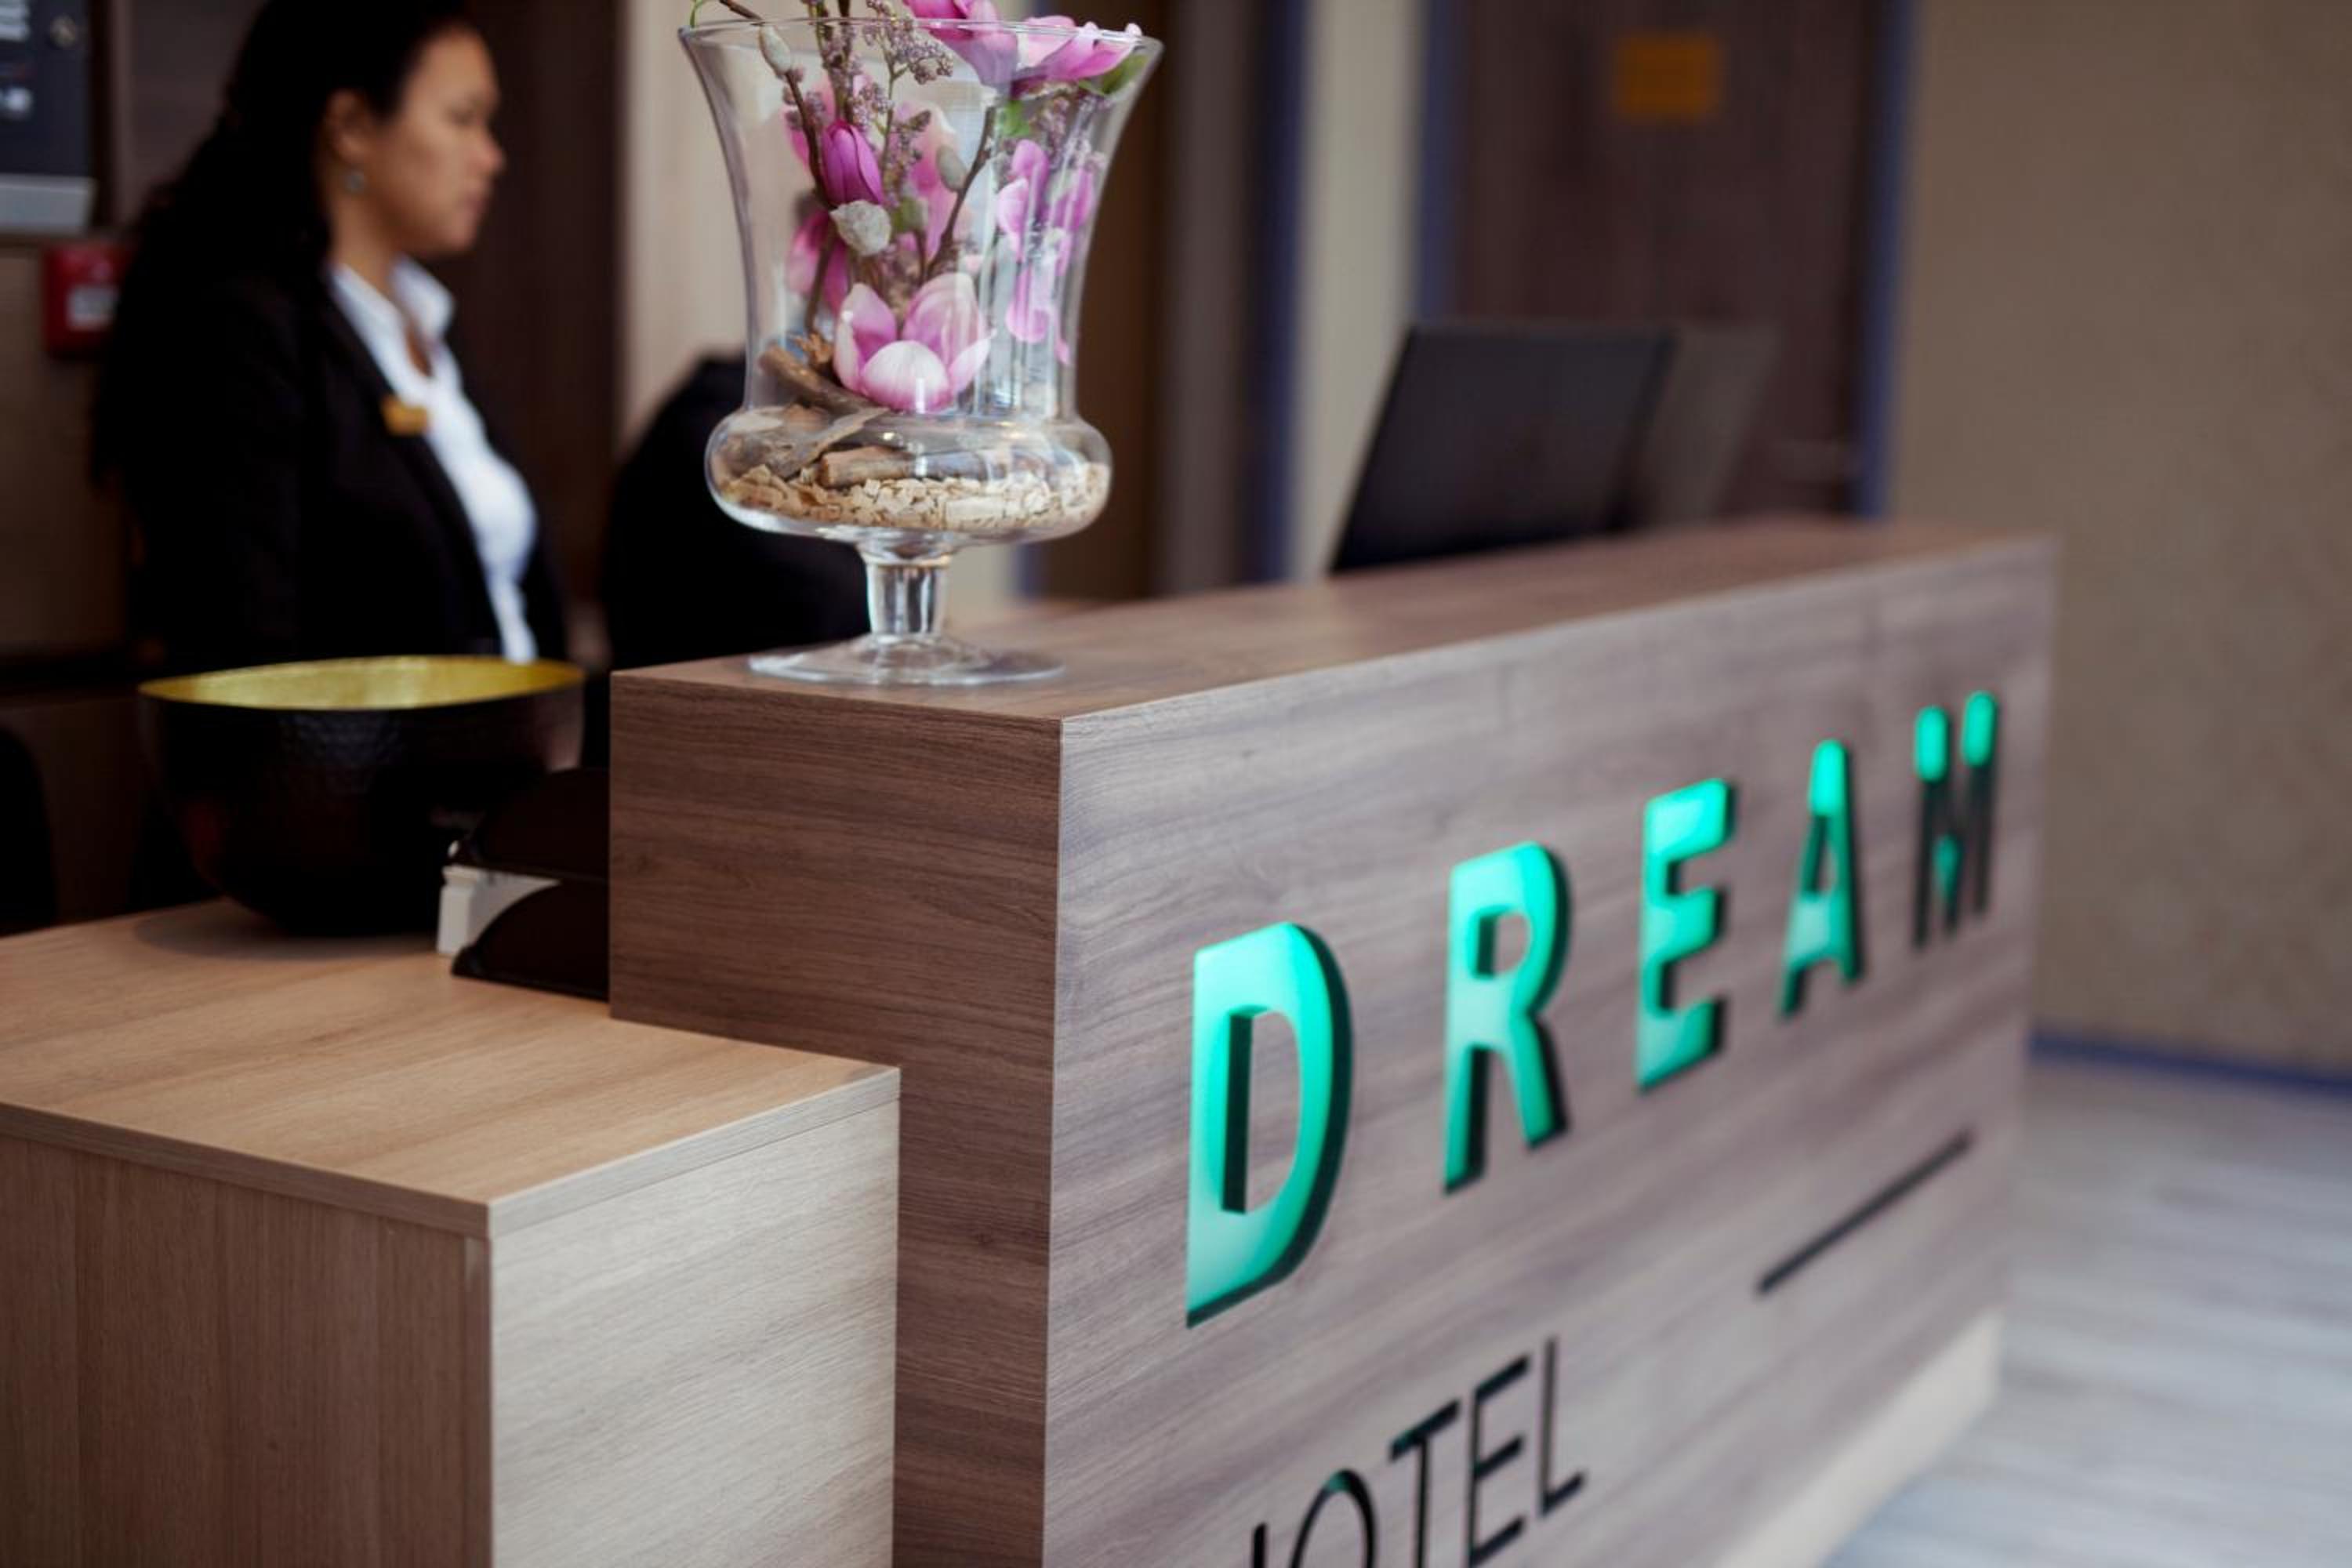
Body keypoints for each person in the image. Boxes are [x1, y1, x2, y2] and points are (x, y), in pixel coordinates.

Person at [96, 0, 564, 673]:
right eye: (462, 118)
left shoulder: (426, 317)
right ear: (351, 126)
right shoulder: (245, 332)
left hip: (520, 733)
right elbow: (246, 644)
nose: (491, 158)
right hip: (370, 744)